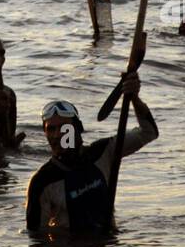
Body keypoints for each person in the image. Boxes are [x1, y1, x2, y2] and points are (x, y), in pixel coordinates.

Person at [25, 74, 158, 235]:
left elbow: (149, 132)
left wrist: (134, 99)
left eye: (63, 128)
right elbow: (36, 237)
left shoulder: (103, 152)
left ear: (77, 128)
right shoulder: (42, 181)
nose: (57, 135)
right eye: (51, 129)